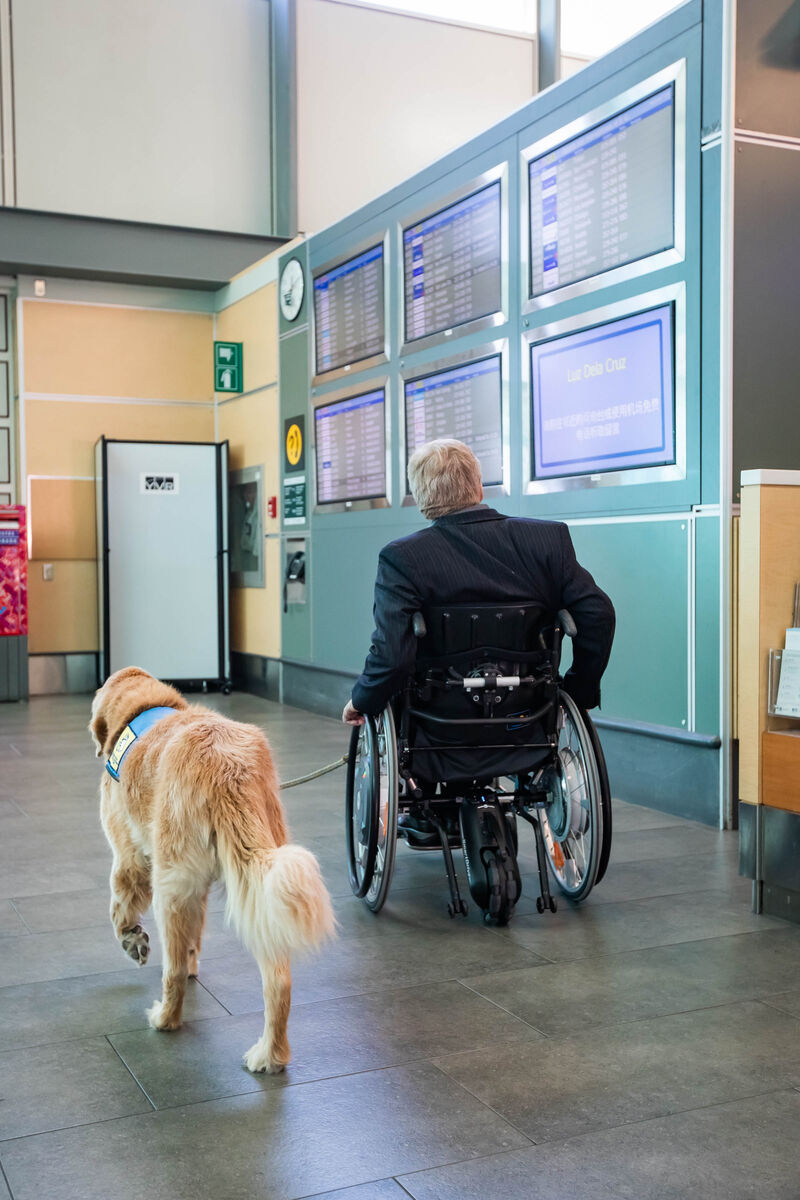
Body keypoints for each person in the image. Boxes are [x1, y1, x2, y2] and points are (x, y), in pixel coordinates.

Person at [342, 439, 615, 741]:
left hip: (436, 726)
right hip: (527, 718)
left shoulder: (403, 558)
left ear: (421, 498)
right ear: (478, 485)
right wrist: (579, 692)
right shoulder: (548, 541)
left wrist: (362, 700)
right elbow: (598, 614)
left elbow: (392, 657)